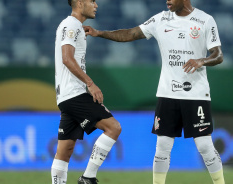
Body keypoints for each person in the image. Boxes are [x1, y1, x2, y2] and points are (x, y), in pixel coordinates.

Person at [84, 0, 225, 183]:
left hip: (196, 93)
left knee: (205, 146)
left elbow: (218, 55)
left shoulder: (205, 20)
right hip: (167, 94)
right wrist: (100, 33)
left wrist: (201, 61)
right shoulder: (160, 19)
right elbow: (131, 33)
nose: (167, 1)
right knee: (162, 146)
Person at [52, 0, 122, 184]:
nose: (96, 5)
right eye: (92, 1)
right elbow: (67, 58)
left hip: (67, 95)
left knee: (65, 150)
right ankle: (88, 177)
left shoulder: (74, 26)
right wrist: (90, 83)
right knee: (113, 127)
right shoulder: (71, 25)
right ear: (80, 3)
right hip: (74, 93)